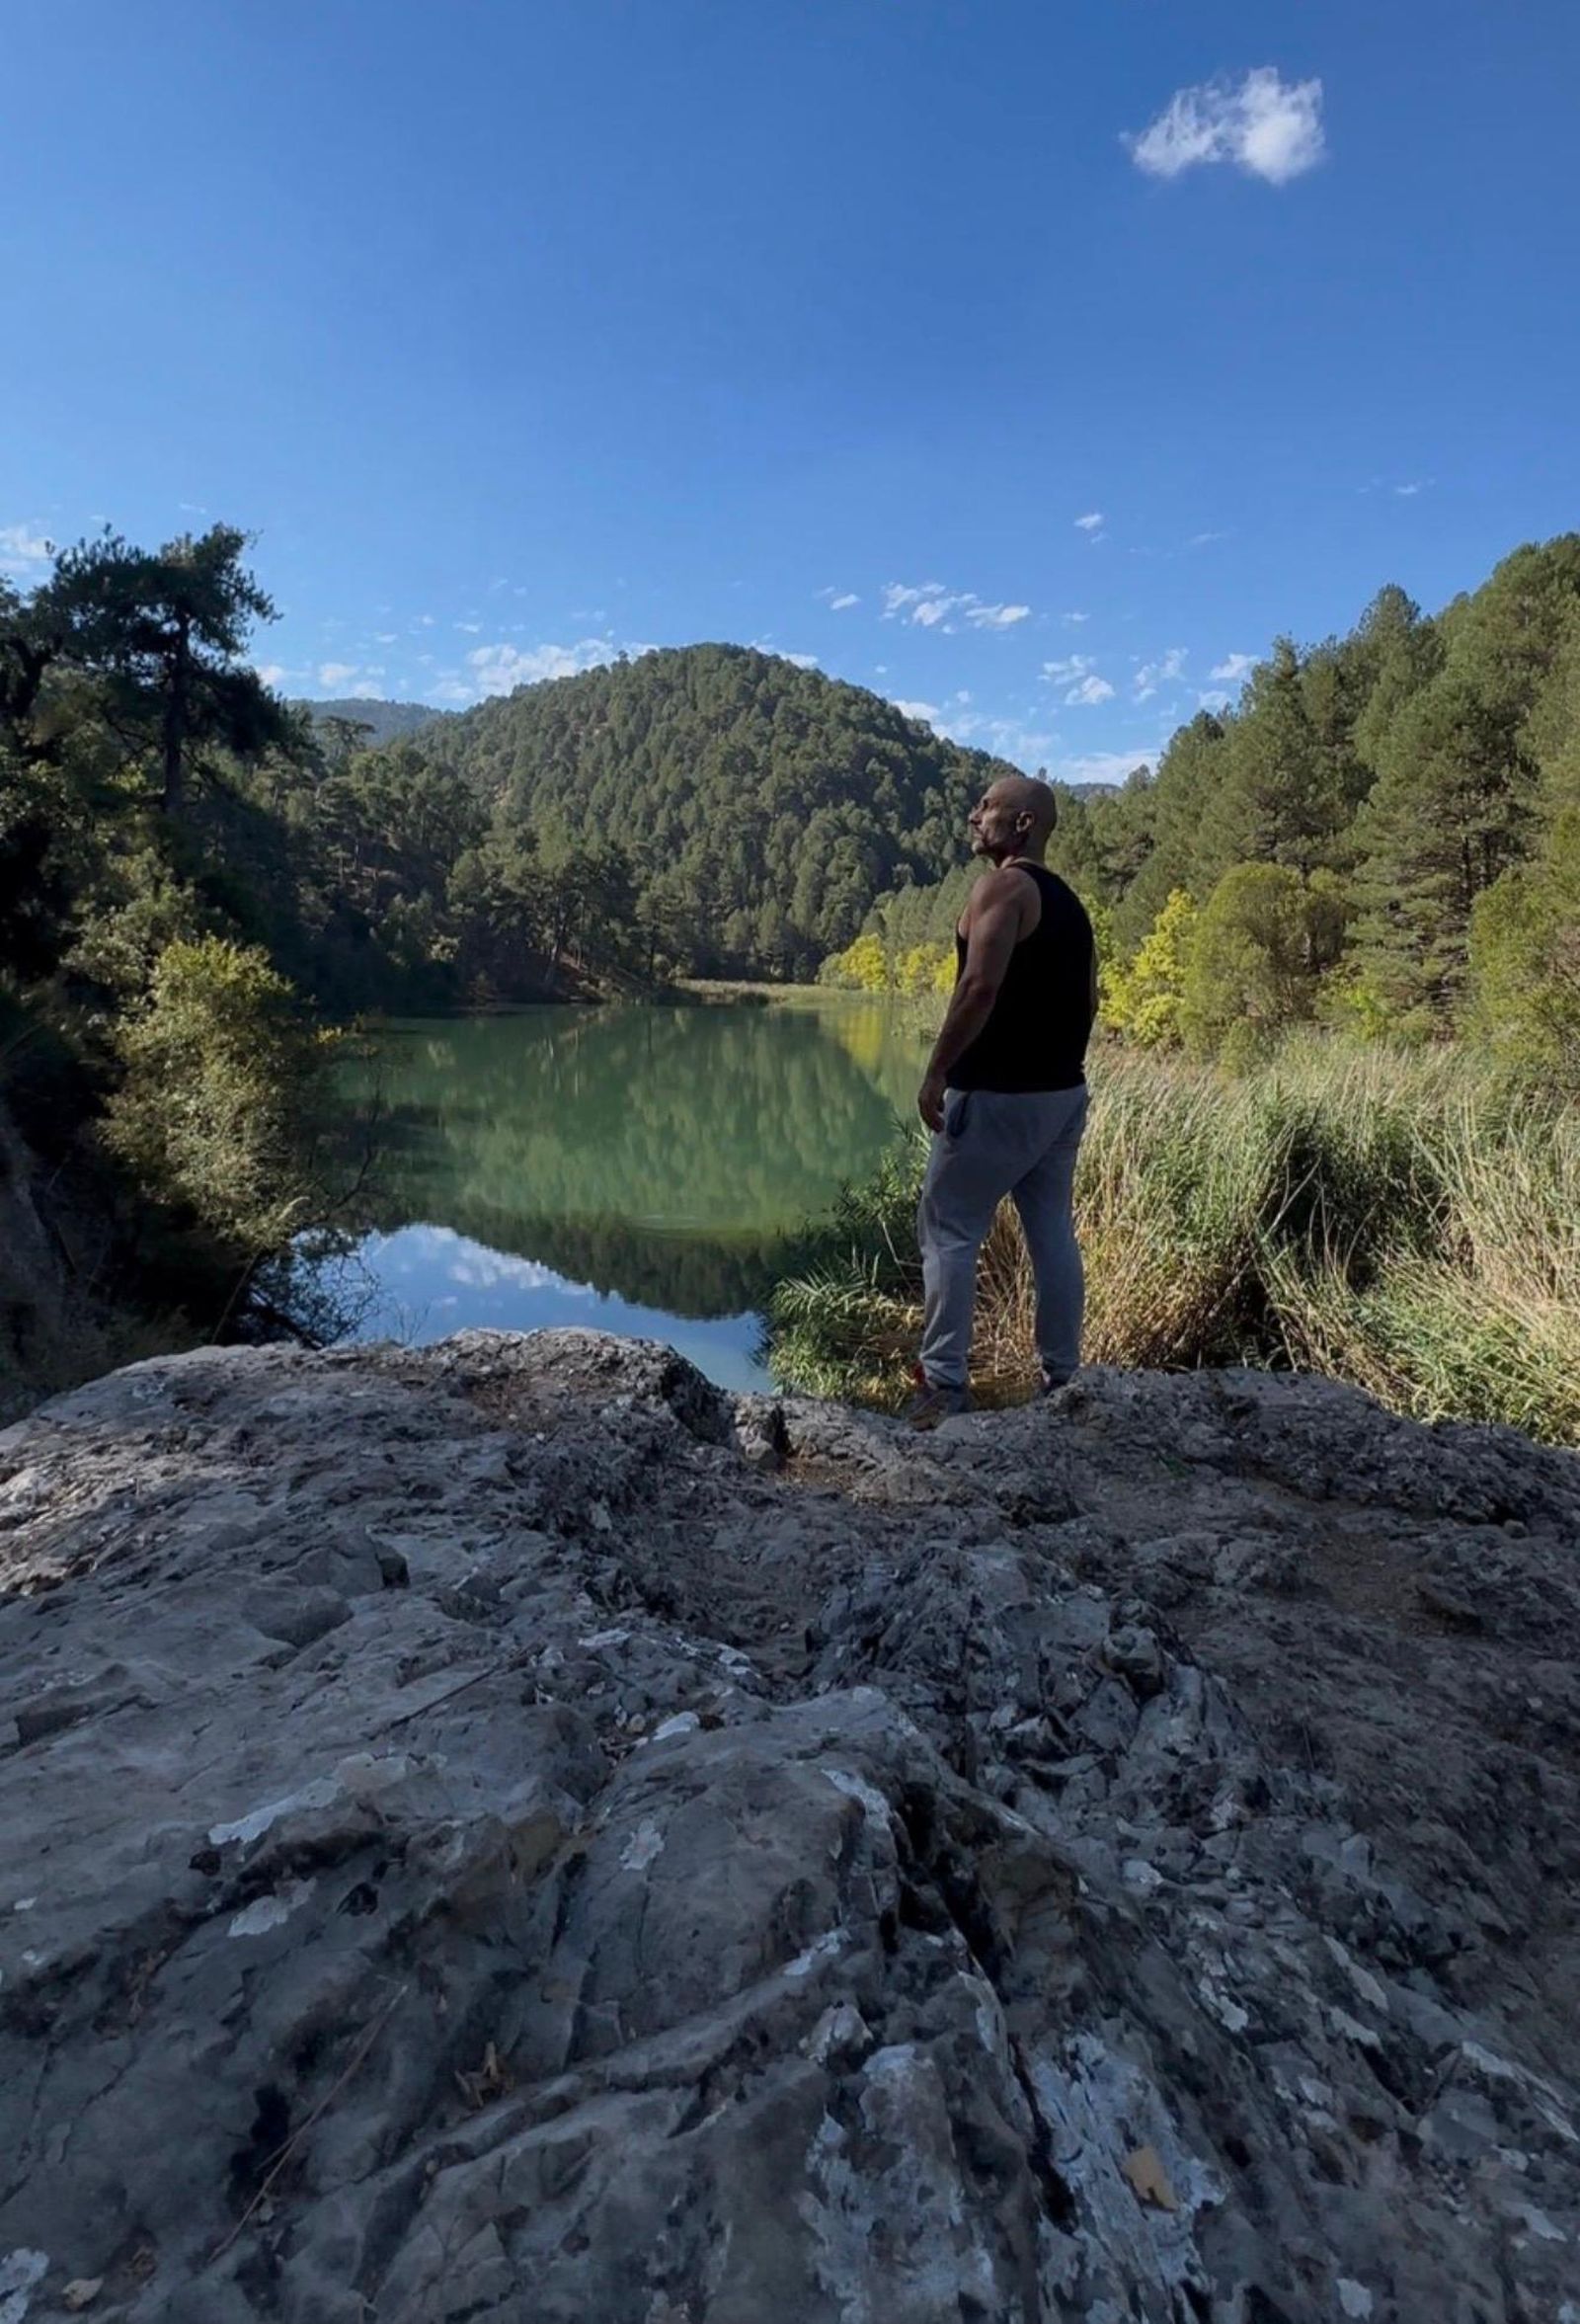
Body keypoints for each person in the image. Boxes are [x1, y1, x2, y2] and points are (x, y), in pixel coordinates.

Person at [908, 774, 1097, 1426]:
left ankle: (943, 1384)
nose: (972, 815)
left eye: (986, 807)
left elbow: (978, 988)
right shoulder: (1069, 903)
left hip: (997, 1094)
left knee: (949, 1228)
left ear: (1022, 824)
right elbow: (1089, 1000)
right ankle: (1063, 1379)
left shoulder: (1003, 888)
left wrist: (938, 1071)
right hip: (1062, 1095)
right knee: (1051, 1232)